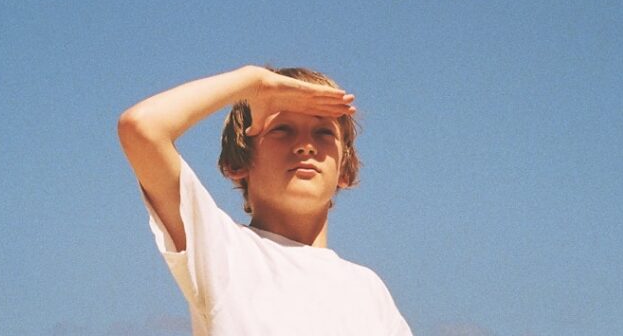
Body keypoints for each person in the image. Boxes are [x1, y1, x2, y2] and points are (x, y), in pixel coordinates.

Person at [117, 64, 413, 335]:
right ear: (237, 162)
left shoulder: (369, 291)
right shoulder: (224, 250)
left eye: (323, 132)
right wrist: (253, 83)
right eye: (283, 130)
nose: (306, 146)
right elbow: (142, 127)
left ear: (345, 170)